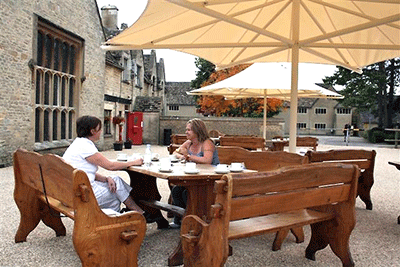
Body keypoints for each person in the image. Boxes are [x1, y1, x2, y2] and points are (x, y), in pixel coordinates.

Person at [63, 115, 169, 228]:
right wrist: (133, 162)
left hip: (73, 190)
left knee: (115, 181)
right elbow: (110, 166)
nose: (101, 131)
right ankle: (138, 215)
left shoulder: (78, 144)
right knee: (116, 191)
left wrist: (106, 178)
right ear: (92, 131)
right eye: (100, 128)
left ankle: (129, 216)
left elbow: (84, 172)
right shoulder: (85, 147)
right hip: (82, 195)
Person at [170, 118, 219, 228]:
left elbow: (207, 160)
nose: (186, 132)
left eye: (189, 130)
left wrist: (188, 156)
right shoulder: (189, 143)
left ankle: (194, 220)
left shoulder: (207, 143)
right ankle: (180, 220)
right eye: (186, 129)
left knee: (187, 192)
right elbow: (175, 152)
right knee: (177, 190)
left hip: (209, 179)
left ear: (197, 131)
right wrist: (183, 156)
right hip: (195, 176)